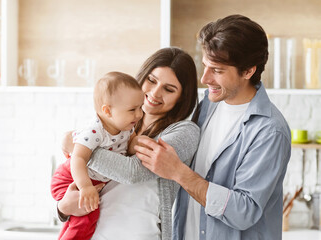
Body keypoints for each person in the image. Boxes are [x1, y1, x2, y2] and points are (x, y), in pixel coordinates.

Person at [134, 15, 291, 240]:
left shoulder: (269, 131)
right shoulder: (210, 102)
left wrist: (178, 172)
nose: (205, 78)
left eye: (217, 70)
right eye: (205, 66)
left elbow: (243, 211)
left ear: (248, 71)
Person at [58, 47, 200, 240]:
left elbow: (133, 172)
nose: (155, 93)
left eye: (169, 89)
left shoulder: (183, 132)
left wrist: (79, 149)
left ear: (183, 97)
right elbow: (76, 188)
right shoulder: (116, 123)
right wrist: (63, 208)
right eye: (151, 80)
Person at [50, 71, 144, 240]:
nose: (139, 114)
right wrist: (85, 187)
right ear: (107, 111)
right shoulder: (94, 131)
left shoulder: (126, 125)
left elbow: (129, 145)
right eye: (132, 109)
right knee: (86, 219)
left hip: (87, 179)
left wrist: (138, 144)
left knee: (79, 219)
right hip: (71, 177)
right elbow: (78, 158)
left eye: (140, 108)